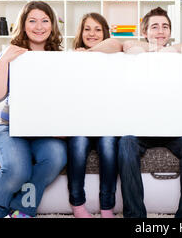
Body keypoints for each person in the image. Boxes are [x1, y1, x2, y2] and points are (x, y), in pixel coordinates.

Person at [118, 7, 182, 218]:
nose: (160, 31)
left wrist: (167, 51)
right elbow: (128, 44)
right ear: (145, 31)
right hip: (141, 129)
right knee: (125, 143)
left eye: (165, 27)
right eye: (154, 27)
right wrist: (154, 49)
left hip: (173, 129)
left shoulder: (177, 54)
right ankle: (135, 217)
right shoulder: (137, 54)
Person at [0, 1, 68, 218]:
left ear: (52, 25)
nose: (39, 26)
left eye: (44, 21)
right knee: (18, 169)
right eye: (32, 21)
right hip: (11, 128)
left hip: (45, 132)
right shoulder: (11, 53)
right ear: (23, 24)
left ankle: (23, 207)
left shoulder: (60, 58)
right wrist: (5, 62)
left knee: (55, 158)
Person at [67, 13, 122, 218]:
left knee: (108, 146)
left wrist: (90, 53)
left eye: (98, 29)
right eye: (87, 29)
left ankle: (107, 206)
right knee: (78, 146)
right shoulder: (71, 56)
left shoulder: (111, 54)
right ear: (80, 33)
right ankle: (77, 204)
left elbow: (115, 44)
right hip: (80, 123)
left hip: (105, 123)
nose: (92, 33)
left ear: (104, 33)